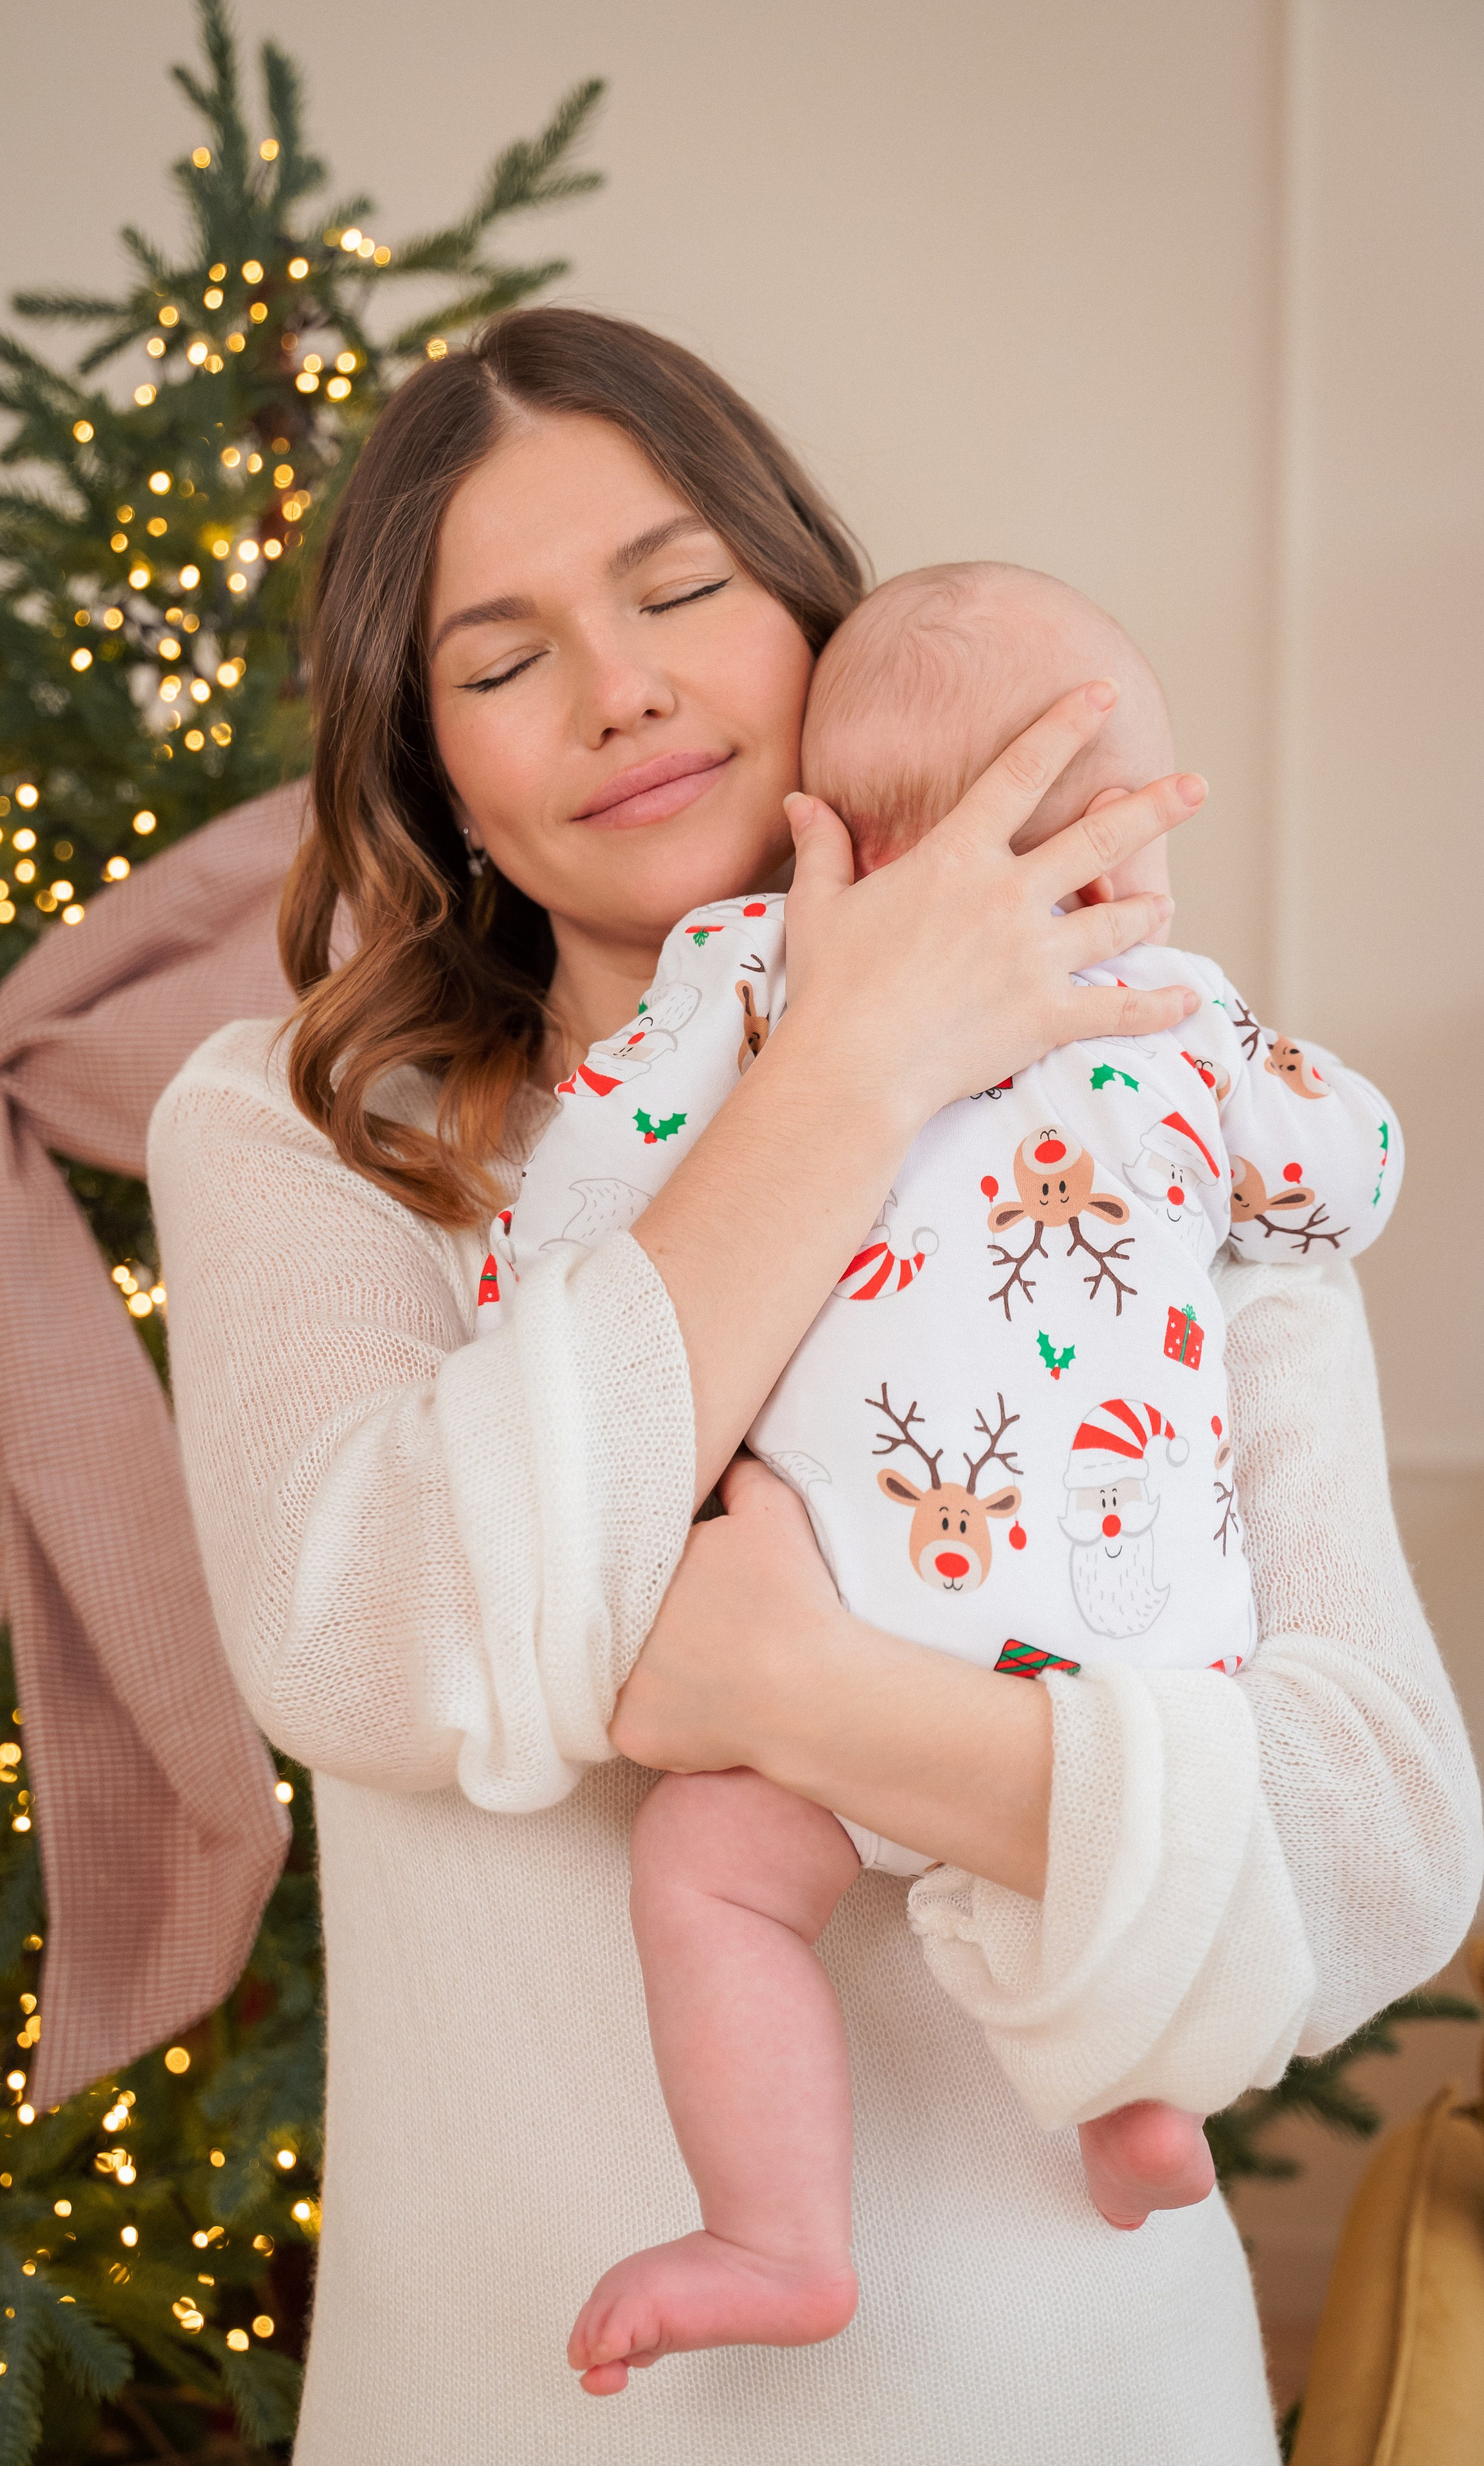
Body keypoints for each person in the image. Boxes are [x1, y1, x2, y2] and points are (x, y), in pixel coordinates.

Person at [146, 308, 1481, 2465]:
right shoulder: (316, 1132)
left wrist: (807, 1699)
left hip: (1088, 2411)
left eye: (680, 590)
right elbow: (376, 1634)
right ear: (433, 772)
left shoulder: (1140, 1084)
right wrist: (848, 1064)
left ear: (810, 619)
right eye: (502, 662)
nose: (620, 689)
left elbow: (1388, 1837)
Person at [481, 560, 1404, 2391]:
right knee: (1113, 1818)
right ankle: (1141, 2103)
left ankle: (776, 2230)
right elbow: (1347, 1173)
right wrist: (1259, 1118)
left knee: (712, 1877)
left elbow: (585, 1227)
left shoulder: (749, 979)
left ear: (840, 831)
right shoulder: (1179, 1008)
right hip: (1139, 1636)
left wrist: (527, 1293)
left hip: (837, 1596)